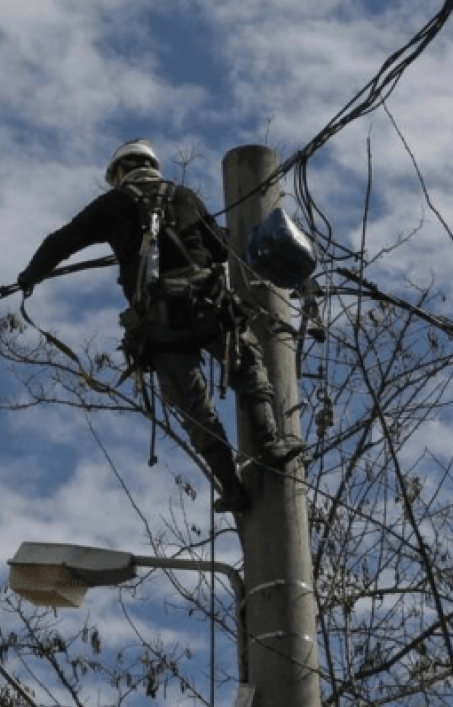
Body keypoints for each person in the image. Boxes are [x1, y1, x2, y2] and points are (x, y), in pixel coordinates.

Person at [16, 140, 301, 513]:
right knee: (248, 368)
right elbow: (220, 249)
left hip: (160, 325)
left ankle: (232, 487)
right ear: (153, 166)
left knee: (195, 409)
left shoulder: (112, 204)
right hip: (209, 308)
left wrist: (30, 275)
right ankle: (270, 443)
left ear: (119, 173)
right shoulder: (184, 196)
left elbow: (62, 241)